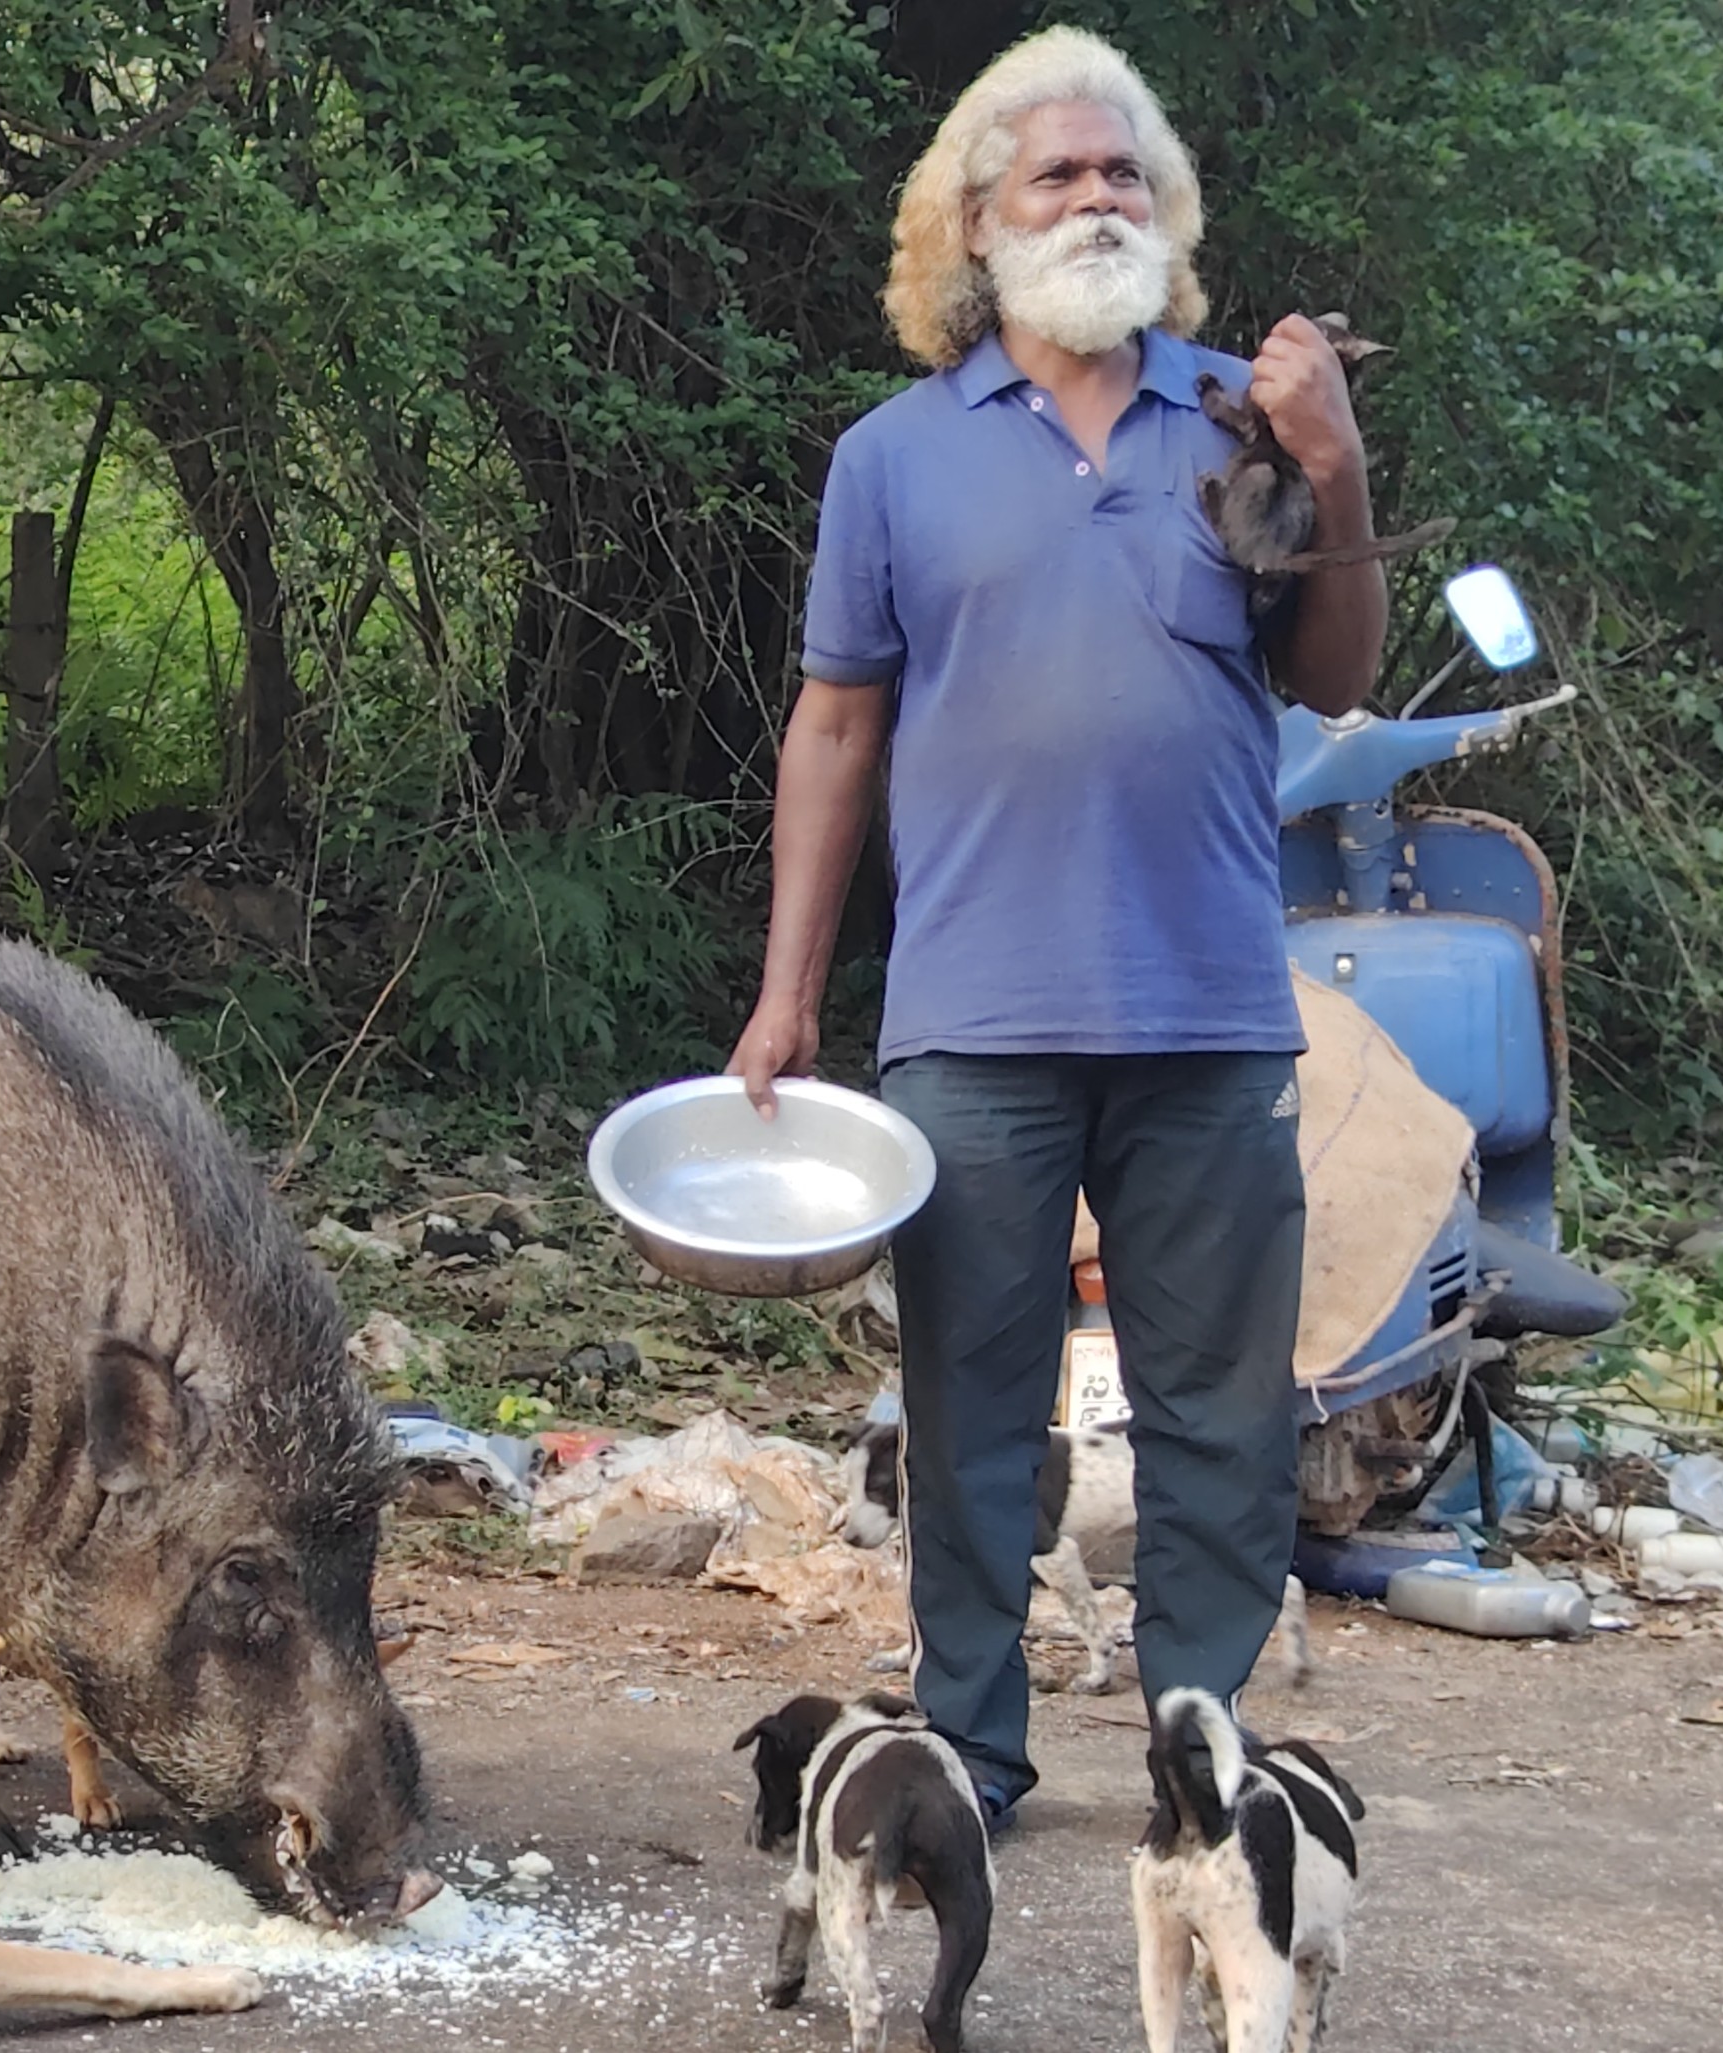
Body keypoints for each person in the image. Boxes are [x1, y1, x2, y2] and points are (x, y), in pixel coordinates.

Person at [727, 26, 1396, 1828]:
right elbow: (837, 725)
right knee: (967, 1410)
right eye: (1058, 173)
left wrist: (1332, 467)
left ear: (1161, 217)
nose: (1098, 195)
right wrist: (786, 998)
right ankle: (968, 1746)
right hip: (971, 1018)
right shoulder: (891, 456)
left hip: (1207, 1017)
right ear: (975, 224)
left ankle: (1198, 1738)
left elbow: (1334, 675)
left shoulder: (1239, 426)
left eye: (1125, 175)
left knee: (1219, 1412)